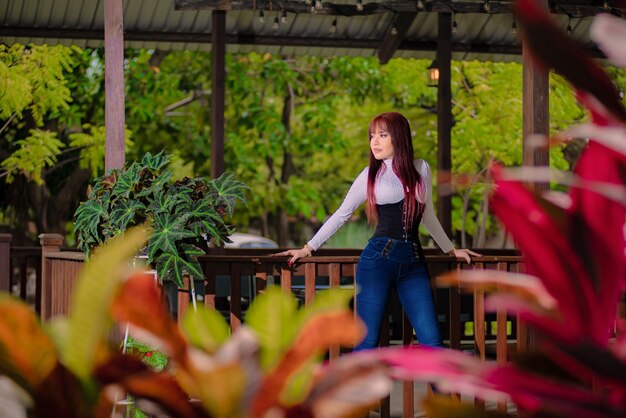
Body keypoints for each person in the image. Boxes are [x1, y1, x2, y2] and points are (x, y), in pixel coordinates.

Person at [274, 112, 480, 350]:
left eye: (383, 135)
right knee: (367, 341)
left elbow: (427, 215)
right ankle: (357, 388)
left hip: (414, 263)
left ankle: (445, 388)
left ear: (399, 137)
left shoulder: (421, 168)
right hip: (377, 262)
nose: (375, 141)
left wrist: (451, 250)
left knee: (432, 340)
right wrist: (308, 248)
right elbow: (342, 214)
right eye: (372, 136)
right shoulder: (370, 175)